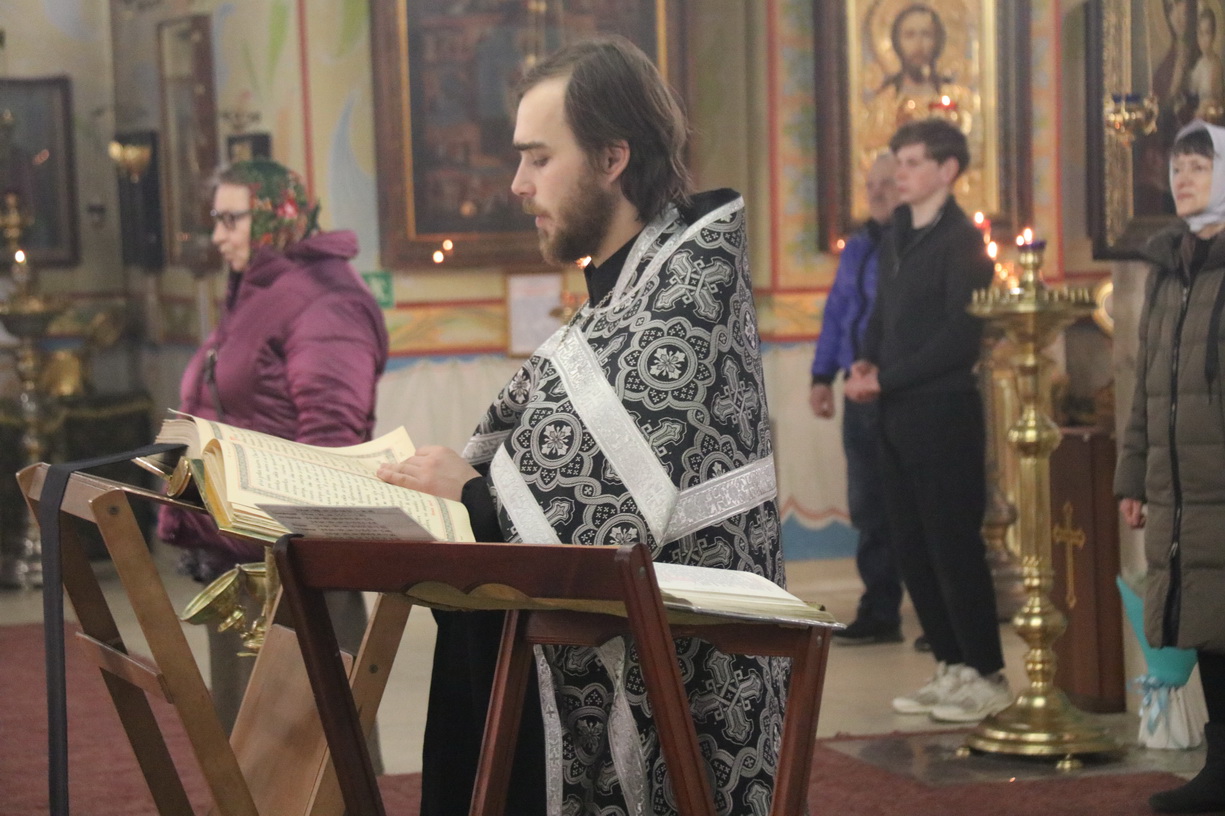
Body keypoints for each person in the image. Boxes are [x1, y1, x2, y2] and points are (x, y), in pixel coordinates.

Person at [378, 36, 788, 816]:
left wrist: (470, 493)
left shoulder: (682, 300)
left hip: (682, 682)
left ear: (611, 159)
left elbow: (599, 524)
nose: (518, 184)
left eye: (538, 158)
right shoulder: (627, 295)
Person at [156, 159, 389, 734]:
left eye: (231, 219)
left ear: (273, 219)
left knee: (310, 748)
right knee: (248, 744)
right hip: (242, 552)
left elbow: (330, 444)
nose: (218, 236)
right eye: (216, 219)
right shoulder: (262, 290)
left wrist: (291, 547)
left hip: (292, 565)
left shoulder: (325, 300)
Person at [844, 118, 1009, 723]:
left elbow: (959, 338)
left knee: (953, 545)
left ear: (947, 170)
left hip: (943, 411)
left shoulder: (963, 241)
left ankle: (986, 673)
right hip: (894, 414)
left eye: (913, 162)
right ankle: (950, 664)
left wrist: (886, 379)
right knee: (912, 546)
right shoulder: (897, 235)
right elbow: (882, 315)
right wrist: (866, 359)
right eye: (899, 161)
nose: (900, 173)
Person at [1115, 120, 1225, 815]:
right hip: (1183, 489)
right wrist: (1133, 476)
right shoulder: (1168, 269)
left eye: (1199, 166)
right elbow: (1147, 388)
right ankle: (1221, 770)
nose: (1182, 179)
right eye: (1177, 167)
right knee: (1207, 622)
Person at [809, 151, 905, 646]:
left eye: (887, 183)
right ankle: (880, 608)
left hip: (902, 386)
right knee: (867, 502)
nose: (877, 193)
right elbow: (838, 312)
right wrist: (821, 376)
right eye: (871, 185)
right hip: (857, 387)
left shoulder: (913, 244)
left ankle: (938, 613)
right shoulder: (859, 247)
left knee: (909, 502)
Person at [875, 4, 951, 100]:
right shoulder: (884, 99)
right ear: (897, 42)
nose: (918, 44)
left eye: (926, 34)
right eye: (909, 35)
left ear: (937, 41)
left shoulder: (955, 96)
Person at [1190, 6, 1225, 120]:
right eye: (1200, 33)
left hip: (1215, 116)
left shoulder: (1217, 64)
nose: (1203, 39)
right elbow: (1192, 91)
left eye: (1207, 33)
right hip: (1201, 116)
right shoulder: (1199, 66)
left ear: (1213, 35)